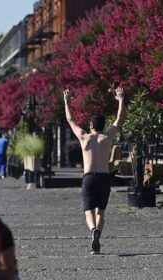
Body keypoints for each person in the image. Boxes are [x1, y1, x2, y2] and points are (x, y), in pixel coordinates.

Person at [63, 87, 125, 255]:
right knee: (101, 212)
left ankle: (93, 231)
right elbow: (119, 120)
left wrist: (67, 101)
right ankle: (98, 231)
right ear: (103, 126)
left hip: (89, 178)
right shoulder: (107, 137)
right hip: (104, 178)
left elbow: (70, 120)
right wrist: (120, 99)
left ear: (91, 125)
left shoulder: (84, 137)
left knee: (88, 211)